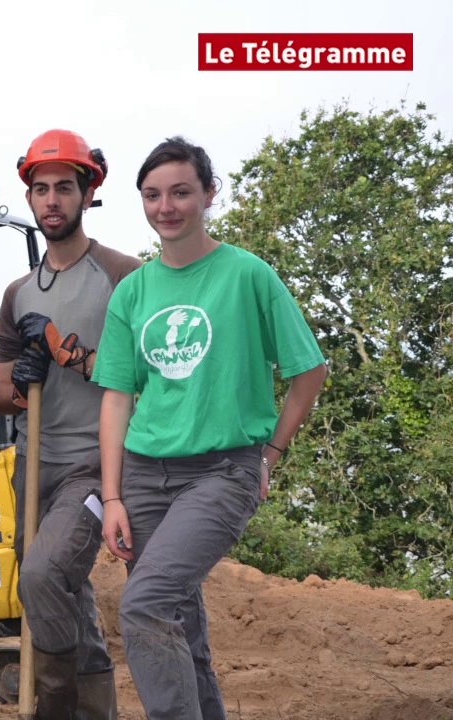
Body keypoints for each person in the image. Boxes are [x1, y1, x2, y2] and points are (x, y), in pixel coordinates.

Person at [94, 137, 327, 720]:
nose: (165, 206)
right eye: (152, 195)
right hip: (145, 476)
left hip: (223, 470)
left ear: (208, 195)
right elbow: (117, 399)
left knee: (146, 606)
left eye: (180, 192)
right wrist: (115, 495)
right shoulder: (134, 290)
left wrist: (269, 456)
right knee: (180, 627)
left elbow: (309, 372)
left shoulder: (247, 275)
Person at [0, 129, 138, 719]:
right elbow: (1, 393)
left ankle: (52, 709)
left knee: (46, 577)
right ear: (29, 198)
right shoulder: (17, 293)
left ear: (88, 193)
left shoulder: (124, 276)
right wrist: (24, 382)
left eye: (65, 189)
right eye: (41, 189)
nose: (52, 200)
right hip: (33, 467)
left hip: (93, 466)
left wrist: (69, 355)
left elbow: (148, 379)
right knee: (61, 595)